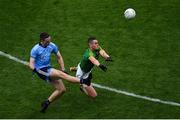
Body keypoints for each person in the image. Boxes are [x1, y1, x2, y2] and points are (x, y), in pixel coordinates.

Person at [29, 32, 88, 113]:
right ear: (42, 40)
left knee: (62, 90)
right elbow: (31, 64)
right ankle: (83, 81)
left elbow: (59, 57)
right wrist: (36, 70)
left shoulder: (51, 45)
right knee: (62, 75)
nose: (49, 43)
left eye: (50, 41)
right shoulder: (35, 49)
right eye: (47, 41)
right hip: (41, 70)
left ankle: (46, 103)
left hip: (48, 68)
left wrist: (63, 68)